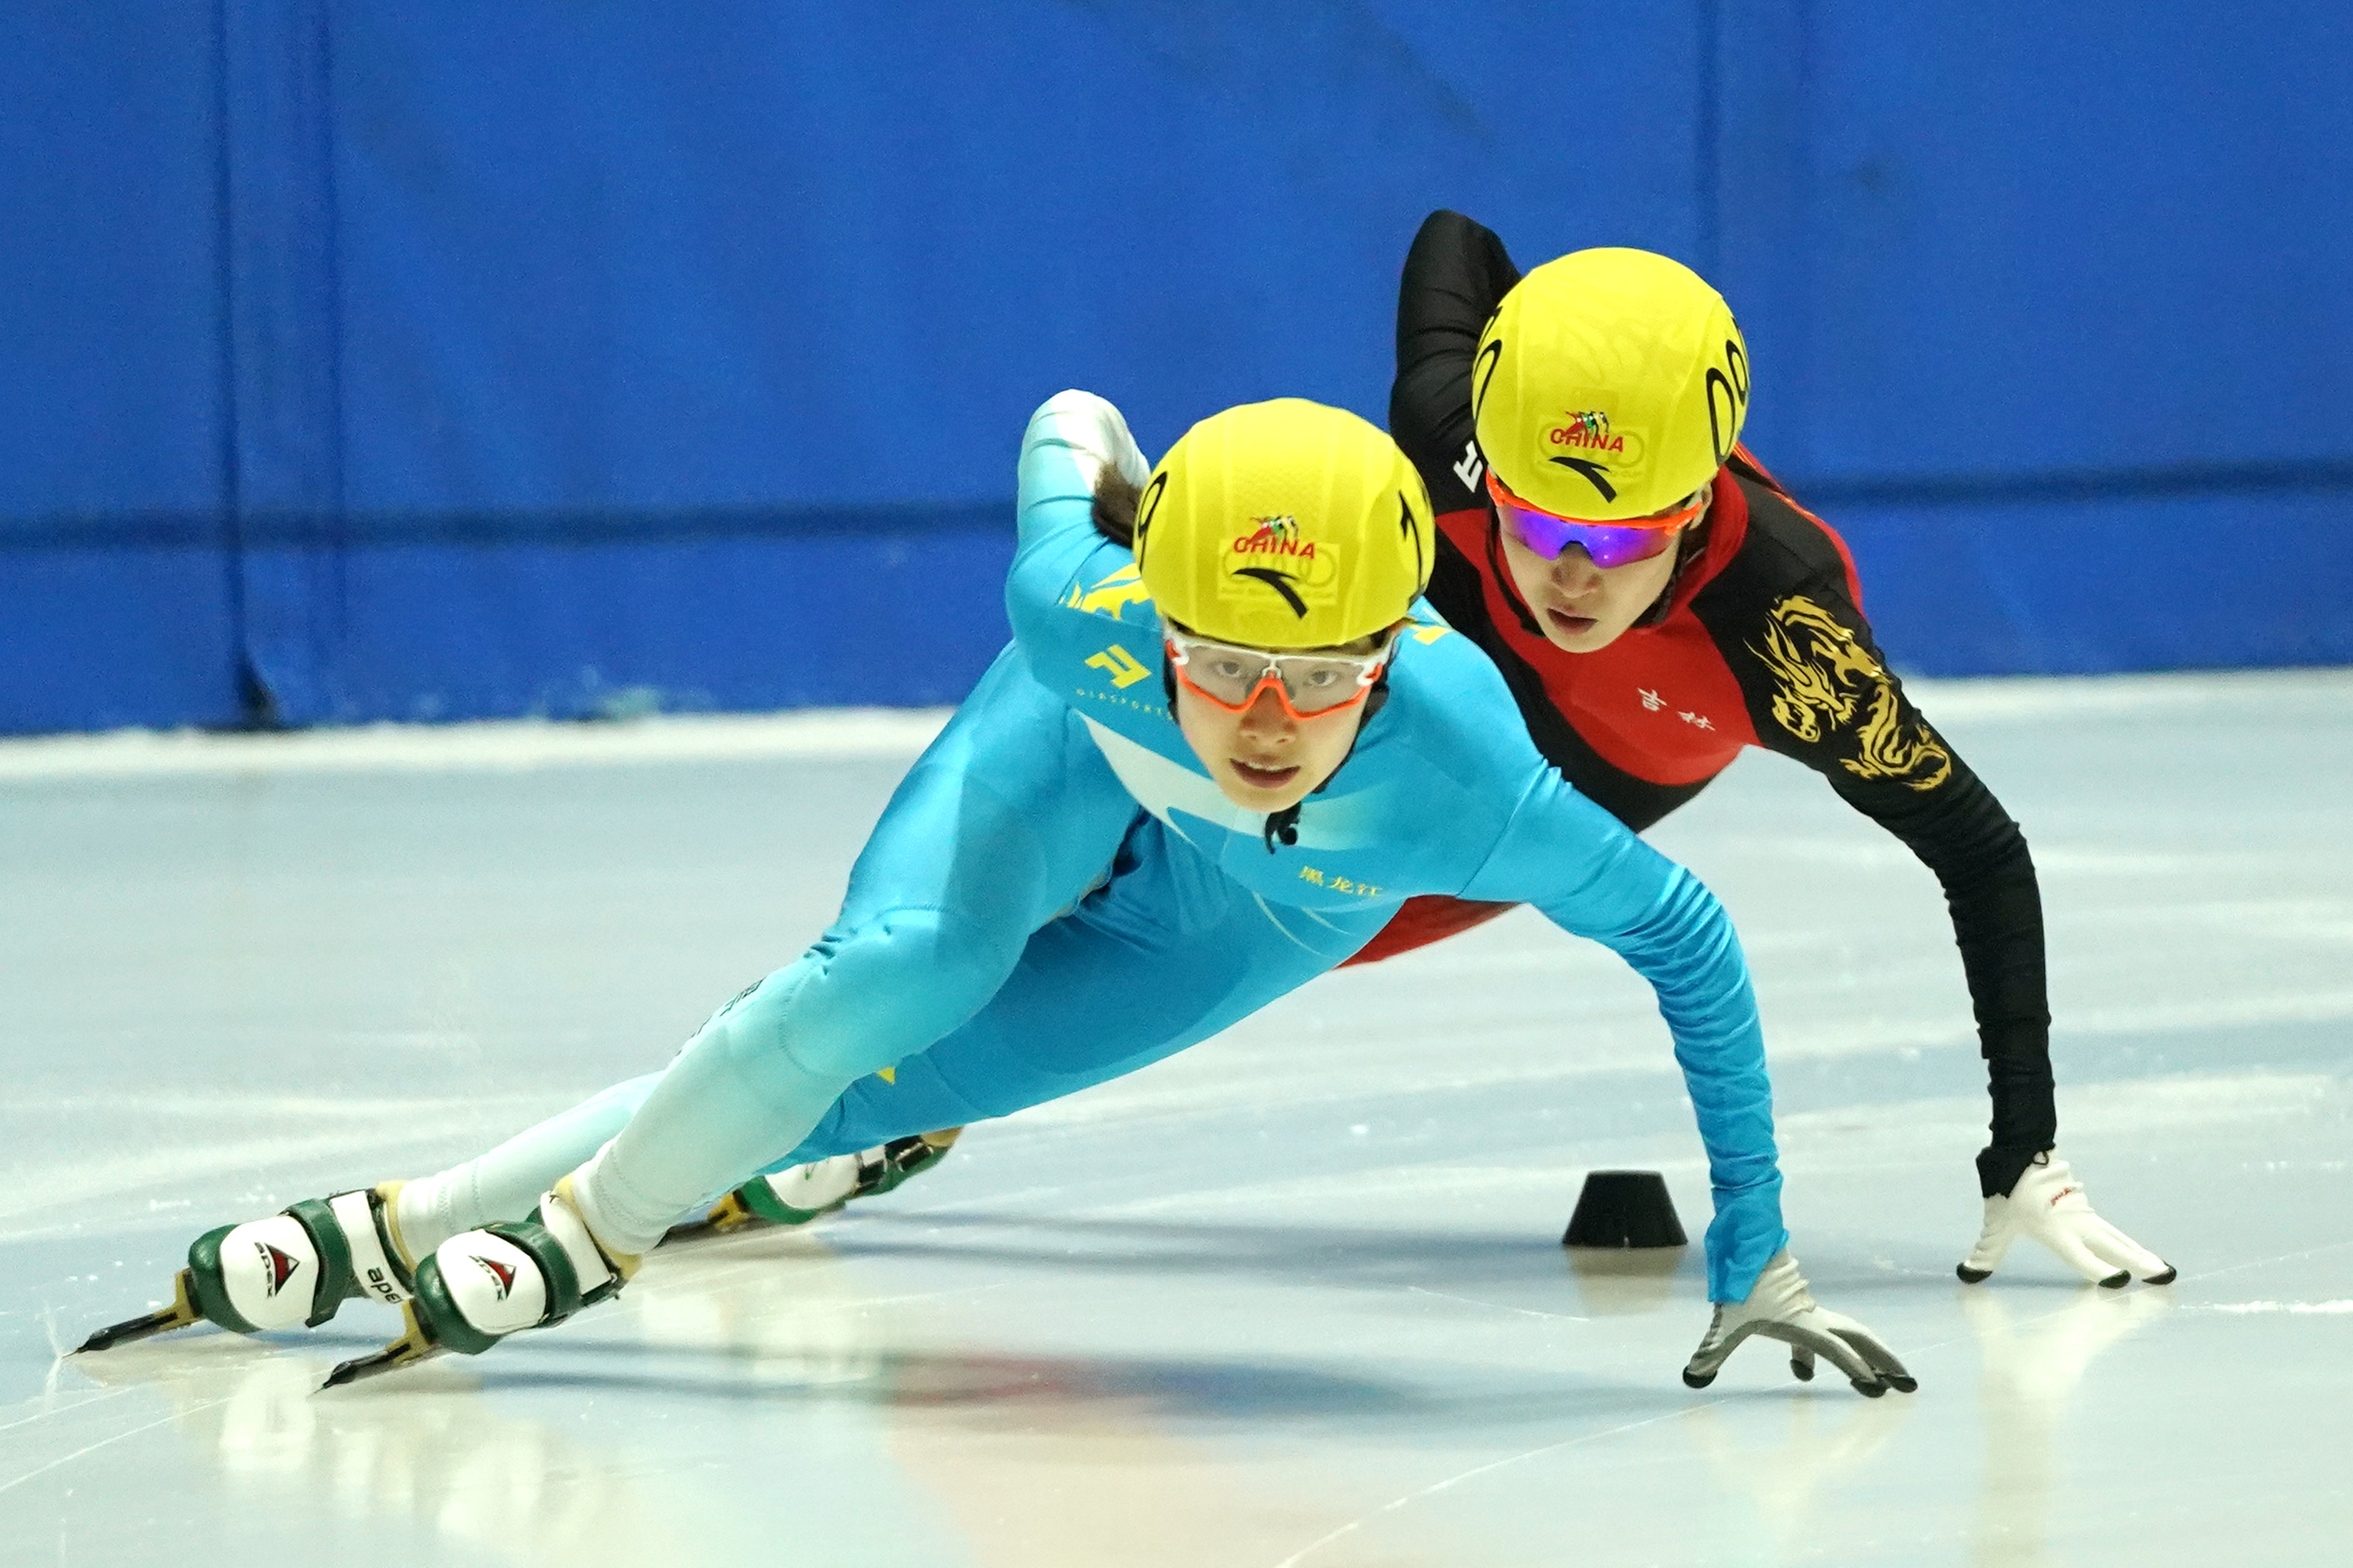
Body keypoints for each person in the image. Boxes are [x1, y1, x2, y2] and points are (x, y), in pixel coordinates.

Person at [80, 394, 1912, 1397]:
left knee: (894, 1086)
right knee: (891, 975)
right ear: (1151, 611)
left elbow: (1693, 940)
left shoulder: (1476, 789)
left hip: (1268, 913)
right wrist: (1095, 439)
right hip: (1063, 750)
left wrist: (1754, 1249)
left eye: (1324, 673)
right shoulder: (1083, 616)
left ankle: (419, 1220)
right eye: (1225, 662)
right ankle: (564, 1245)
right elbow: (1062, 440)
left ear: (1398, 644)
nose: (1267, 722)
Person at [1370, 210, 2170, 1290]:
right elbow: (1453, 240)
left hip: (1615, 758)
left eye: (1614, 541)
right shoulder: (1458, 430)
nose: (1567, 573)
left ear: (1689, 508)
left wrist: (2022, 1146)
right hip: (1466, 664)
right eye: (1533, 520)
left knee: (1311, 921)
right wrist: (1560, 349)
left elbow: (1978, 850)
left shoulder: (1790, 641)